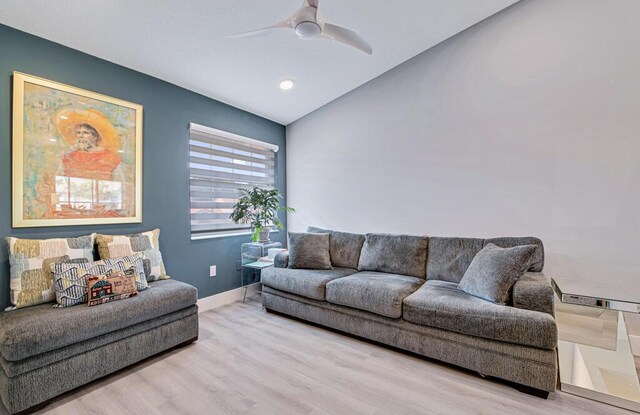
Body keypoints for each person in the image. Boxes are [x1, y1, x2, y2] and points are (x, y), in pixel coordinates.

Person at [56, 109, 122, 181]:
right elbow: (59, 180)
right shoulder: (68, 157)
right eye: (78, 132)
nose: (80, 136)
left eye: (85, 133)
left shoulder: (111, 158)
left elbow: (119, 184)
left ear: (95, 136)